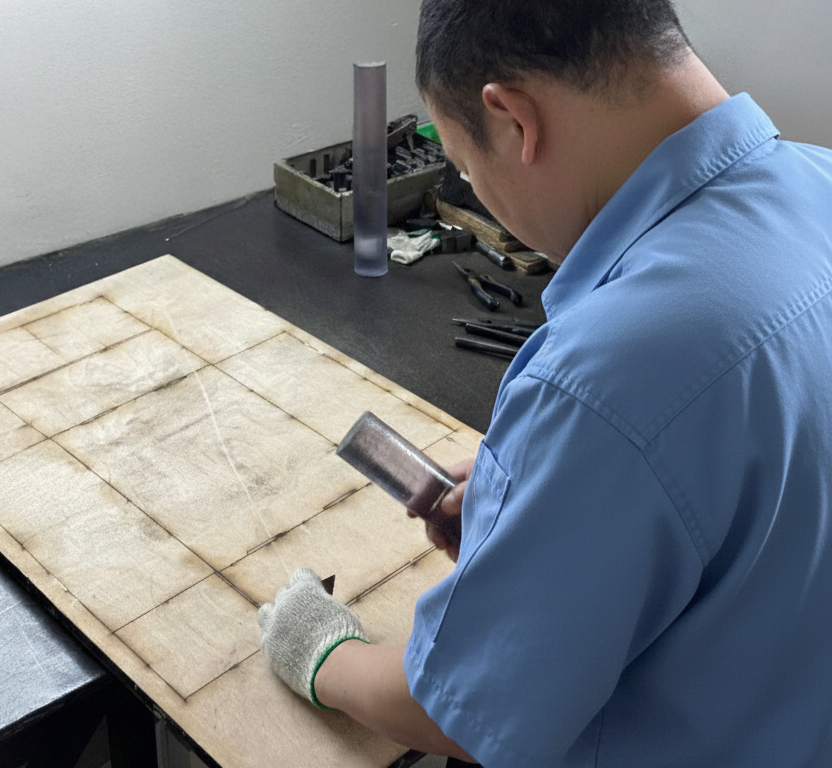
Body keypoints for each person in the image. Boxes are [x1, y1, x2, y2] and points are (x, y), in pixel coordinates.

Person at [257, 0, 832, 765]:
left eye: (467, 169)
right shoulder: (822, 182)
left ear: (513, 119)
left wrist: (323, 654)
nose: (478, 192)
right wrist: (550, 486)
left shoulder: (606, 377)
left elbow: (461, 710)